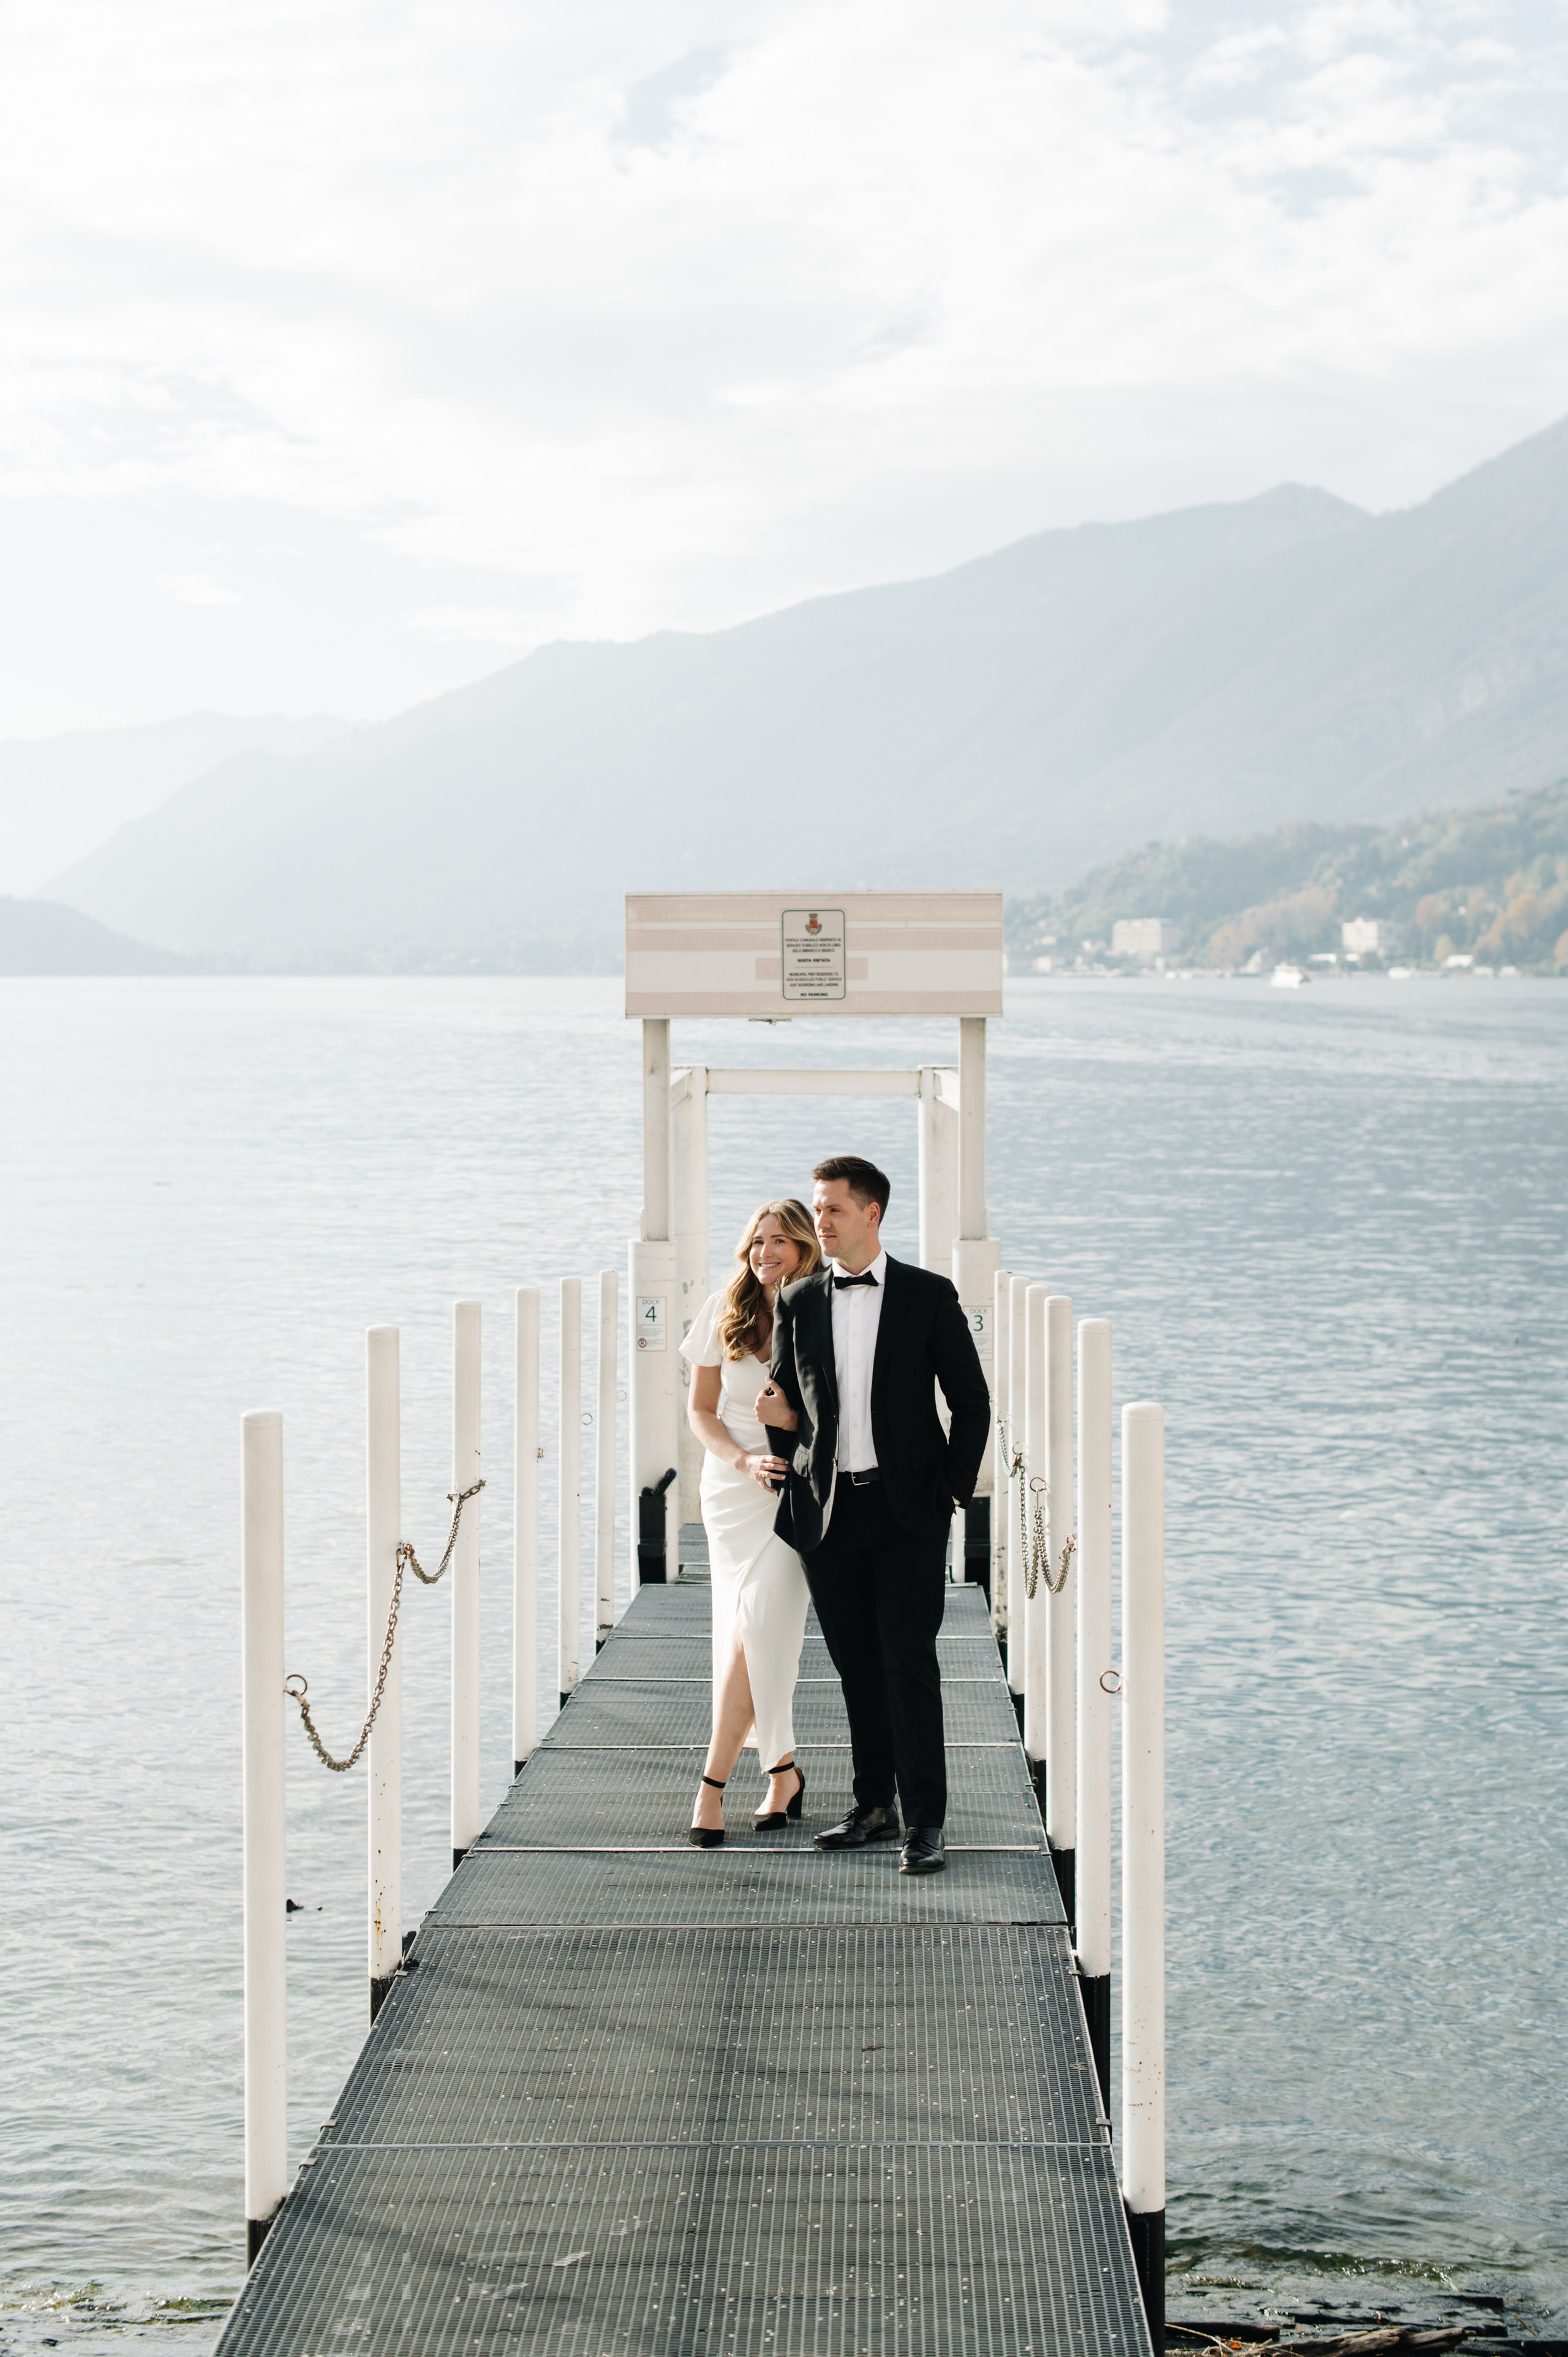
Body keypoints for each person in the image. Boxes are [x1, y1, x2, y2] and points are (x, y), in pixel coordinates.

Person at [758, 1155, 990, 1875]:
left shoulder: (927, 1294)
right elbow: (780, 1402)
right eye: (817, 1208)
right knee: (856, 1665)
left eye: (831, 1209)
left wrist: (950, 1490)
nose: (818, 1221)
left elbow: (972, 1402)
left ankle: (926, 1821)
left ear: (871, 1214)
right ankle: (872, 1804)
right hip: (828, 1516)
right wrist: (786, 1455)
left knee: (908, 1663)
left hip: (908, 1512)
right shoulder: (797, 1301)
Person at [682, 1198, 824, 1846]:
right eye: (757, 1241)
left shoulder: (825, 1307)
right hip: (733, 1491)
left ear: (803, 1248)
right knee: (742, 1633)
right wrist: (741, 1458)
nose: (764, 1253)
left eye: (779, 1243)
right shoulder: (724, 1308)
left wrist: (792, 1426)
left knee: (762, 1628)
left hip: (795, 1496)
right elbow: (701, 1411)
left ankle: (712, 1783)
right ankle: (781, 1770)